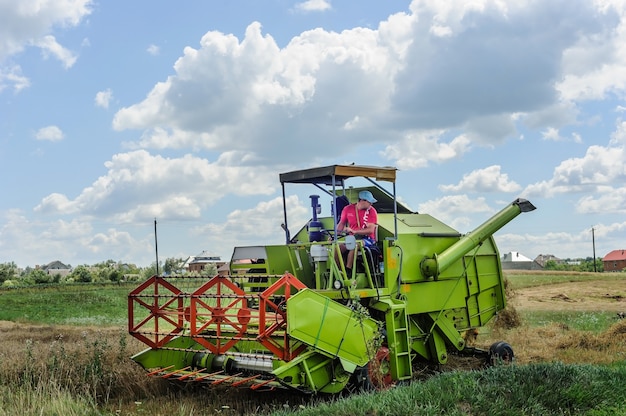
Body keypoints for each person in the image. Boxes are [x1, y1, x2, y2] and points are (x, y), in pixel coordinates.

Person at [335, 190, 378, 275]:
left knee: (354, 245)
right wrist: (334, 236)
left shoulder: (372, 211)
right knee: (336, 248)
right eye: (370, 202)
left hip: (368, 239)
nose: (371, 204)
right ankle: (341, 271)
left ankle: (349, 270)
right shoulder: (347, 209)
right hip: (352, 239)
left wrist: (354, 231)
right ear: (362, 201)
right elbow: (341, 224)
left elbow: (370, 230)